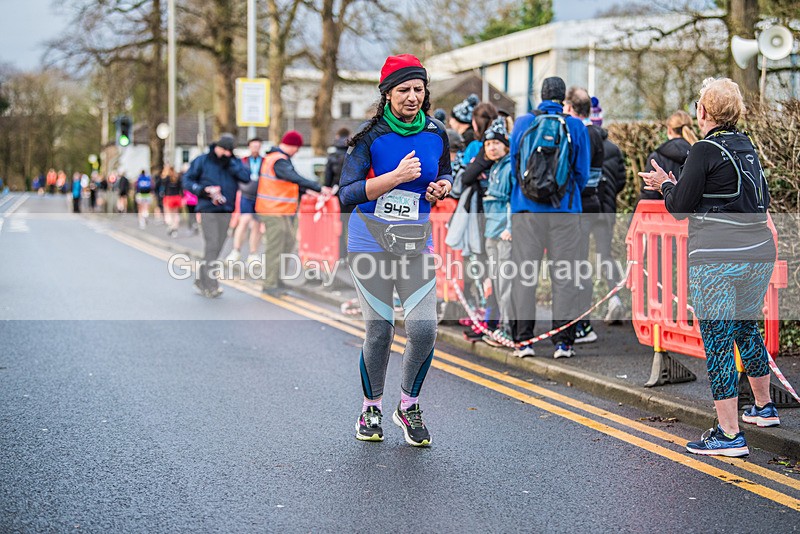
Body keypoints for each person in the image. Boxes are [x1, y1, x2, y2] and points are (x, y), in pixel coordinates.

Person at [640, 77, 778, 457]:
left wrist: (665, 184)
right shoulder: (746, 145)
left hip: (718, 258)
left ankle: (729, 433)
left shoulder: (703, 149)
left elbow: (680, 207)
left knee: (717, 340)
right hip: (757, 253)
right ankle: (764, 408)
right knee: (747, 326)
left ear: (703, 111)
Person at [339, 54, 452, 446]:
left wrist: (442, 188)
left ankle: (408, 406)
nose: (412, 97)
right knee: (380, 330)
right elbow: (347, 194)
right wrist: (394, 178)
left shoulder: (437, 132)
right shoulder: (368, 137)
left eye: (418, 89)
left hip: (415, 242)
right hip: (369, 241)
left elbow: (445, 171)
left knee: (423, 328)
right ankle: (370, 409)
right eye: (403, 90)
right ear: (387, 94)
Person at [508, 76, 590, 359]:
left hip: (526, 211)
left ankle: (523, 341)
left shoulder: (522, 124)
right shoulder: (576, 126)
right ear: (563, 98)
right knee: (565, 276)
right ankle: (563, 343)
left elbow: (513, 166)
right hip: (565, 211)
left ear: (541, 95)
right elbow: (582, 172)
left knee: (523, 275)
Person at [255, 130, 328, 296]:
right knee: (276, 246)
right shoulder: (279, 160)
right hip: (272, 210)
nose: (297, 152)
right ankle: (270, 284)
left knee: (286, 244)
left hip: (280, 210)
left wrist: (308, 191)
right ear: (293, 145)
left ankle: (277, 280)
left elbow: (289, 183)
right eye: (297, 148)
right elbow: (293, 177)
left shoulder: (277, 158)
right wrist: (318, 187)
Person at [182, 133, 250, 297]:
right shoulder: (203, 160)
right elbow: (187, 180)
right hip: (207, 207)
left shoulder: (233, 162)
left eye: (229, 150)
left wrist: (231, 164)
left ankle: (200, 279)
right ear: (216, 147)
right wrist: (201, 190)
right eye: (224, 149)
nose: (226, 153)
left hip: (226, 209)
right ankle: (211, 284)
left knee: (218, 246)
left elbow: (246, 177)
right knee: (212, 244)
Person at [564, 87, 606, 344]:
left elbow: (578, 173)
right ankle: (580, 323)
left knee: (576, 264)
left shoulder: (583, 133)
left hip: (581, 204)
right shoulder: (595, 132)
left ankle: (583, 324)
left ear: (570, 109)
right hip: (592, 203)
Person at [480, 118, 514, 344]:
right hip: (491, 233)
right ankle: (502, 326)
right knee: (496, 281)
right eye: (488, 143)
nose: (491, 147)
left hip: (504, 233)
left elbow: (513, 199)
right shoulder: (494, 168)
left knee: (505, 283)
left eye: (496, 143)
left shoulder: (510, 167)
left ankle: (508, 329)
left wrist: (510, 227)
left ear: (506, 145)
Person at [595, 98, 628, 324]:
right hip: (607, 209)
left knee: (578, 259)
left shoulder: (580, 143)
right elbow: (621, 180)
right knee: (604, 255)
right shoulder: (613, 148)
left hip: (583, 210)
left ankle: (583, 314)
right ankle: (614, 298)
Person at [640, 110, 697, 201]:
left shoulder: (656, 157)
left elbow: (649, 195)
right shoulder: (699, 154)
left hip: (662, 212)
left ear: (669, 130)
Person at [226, 137, 265, 267]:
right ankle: (236, 251)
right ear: (249, 147)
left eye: (258, 146)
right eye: (253, 146)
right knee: (244, 221)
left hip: (259, 197)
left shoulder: (264, 161)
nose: (255, 149)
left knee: (256, 225)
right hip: (246, 195)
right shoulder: (243, 161)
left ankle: (253, 254)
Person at [324, 128, 352, 257]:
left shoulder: (332, 156)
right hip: (353, 195)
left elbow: (327, 180)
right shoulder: (354, 154)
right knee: (352, 226)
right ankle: (354, 255)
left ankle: (341, 255)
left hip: (337, 197)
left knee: (338, 226)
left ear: (337, 136)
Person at [161, 165, 183, 237]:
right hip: (177, 197)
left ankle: (170, 226)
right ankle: (175, 227)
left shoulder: (166, 178)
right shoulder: (177, 178)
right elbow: (181, 188)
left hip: (169, 197)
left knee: (168, 213)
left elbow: (162, 186)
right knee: (176, 213)